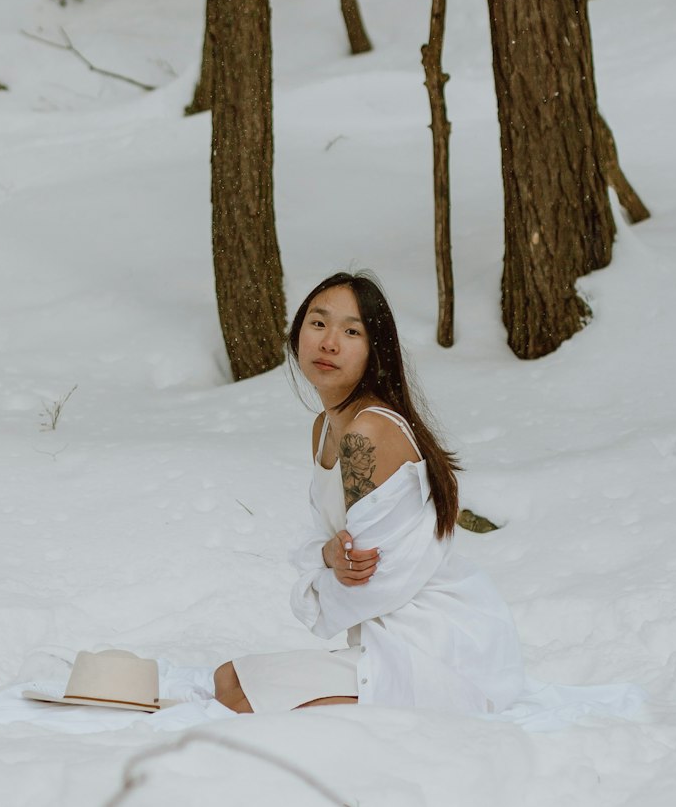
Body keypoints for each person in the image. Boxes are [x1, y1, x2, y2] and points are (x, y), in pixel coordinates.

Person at [212, 271, 528, 715]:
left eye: (352, 331)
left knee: (240, 694)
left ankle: (440, 703)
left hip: (436, 640)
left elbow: (369, 579)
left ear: (375, 351)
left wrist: (321, 570)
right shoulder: (326, 428)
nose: (329, 343)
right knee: (231, 683)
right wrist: (325, 558)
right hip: (390, 631)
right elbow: (329, 550)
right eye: (318, 324)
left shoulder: (367, 431)